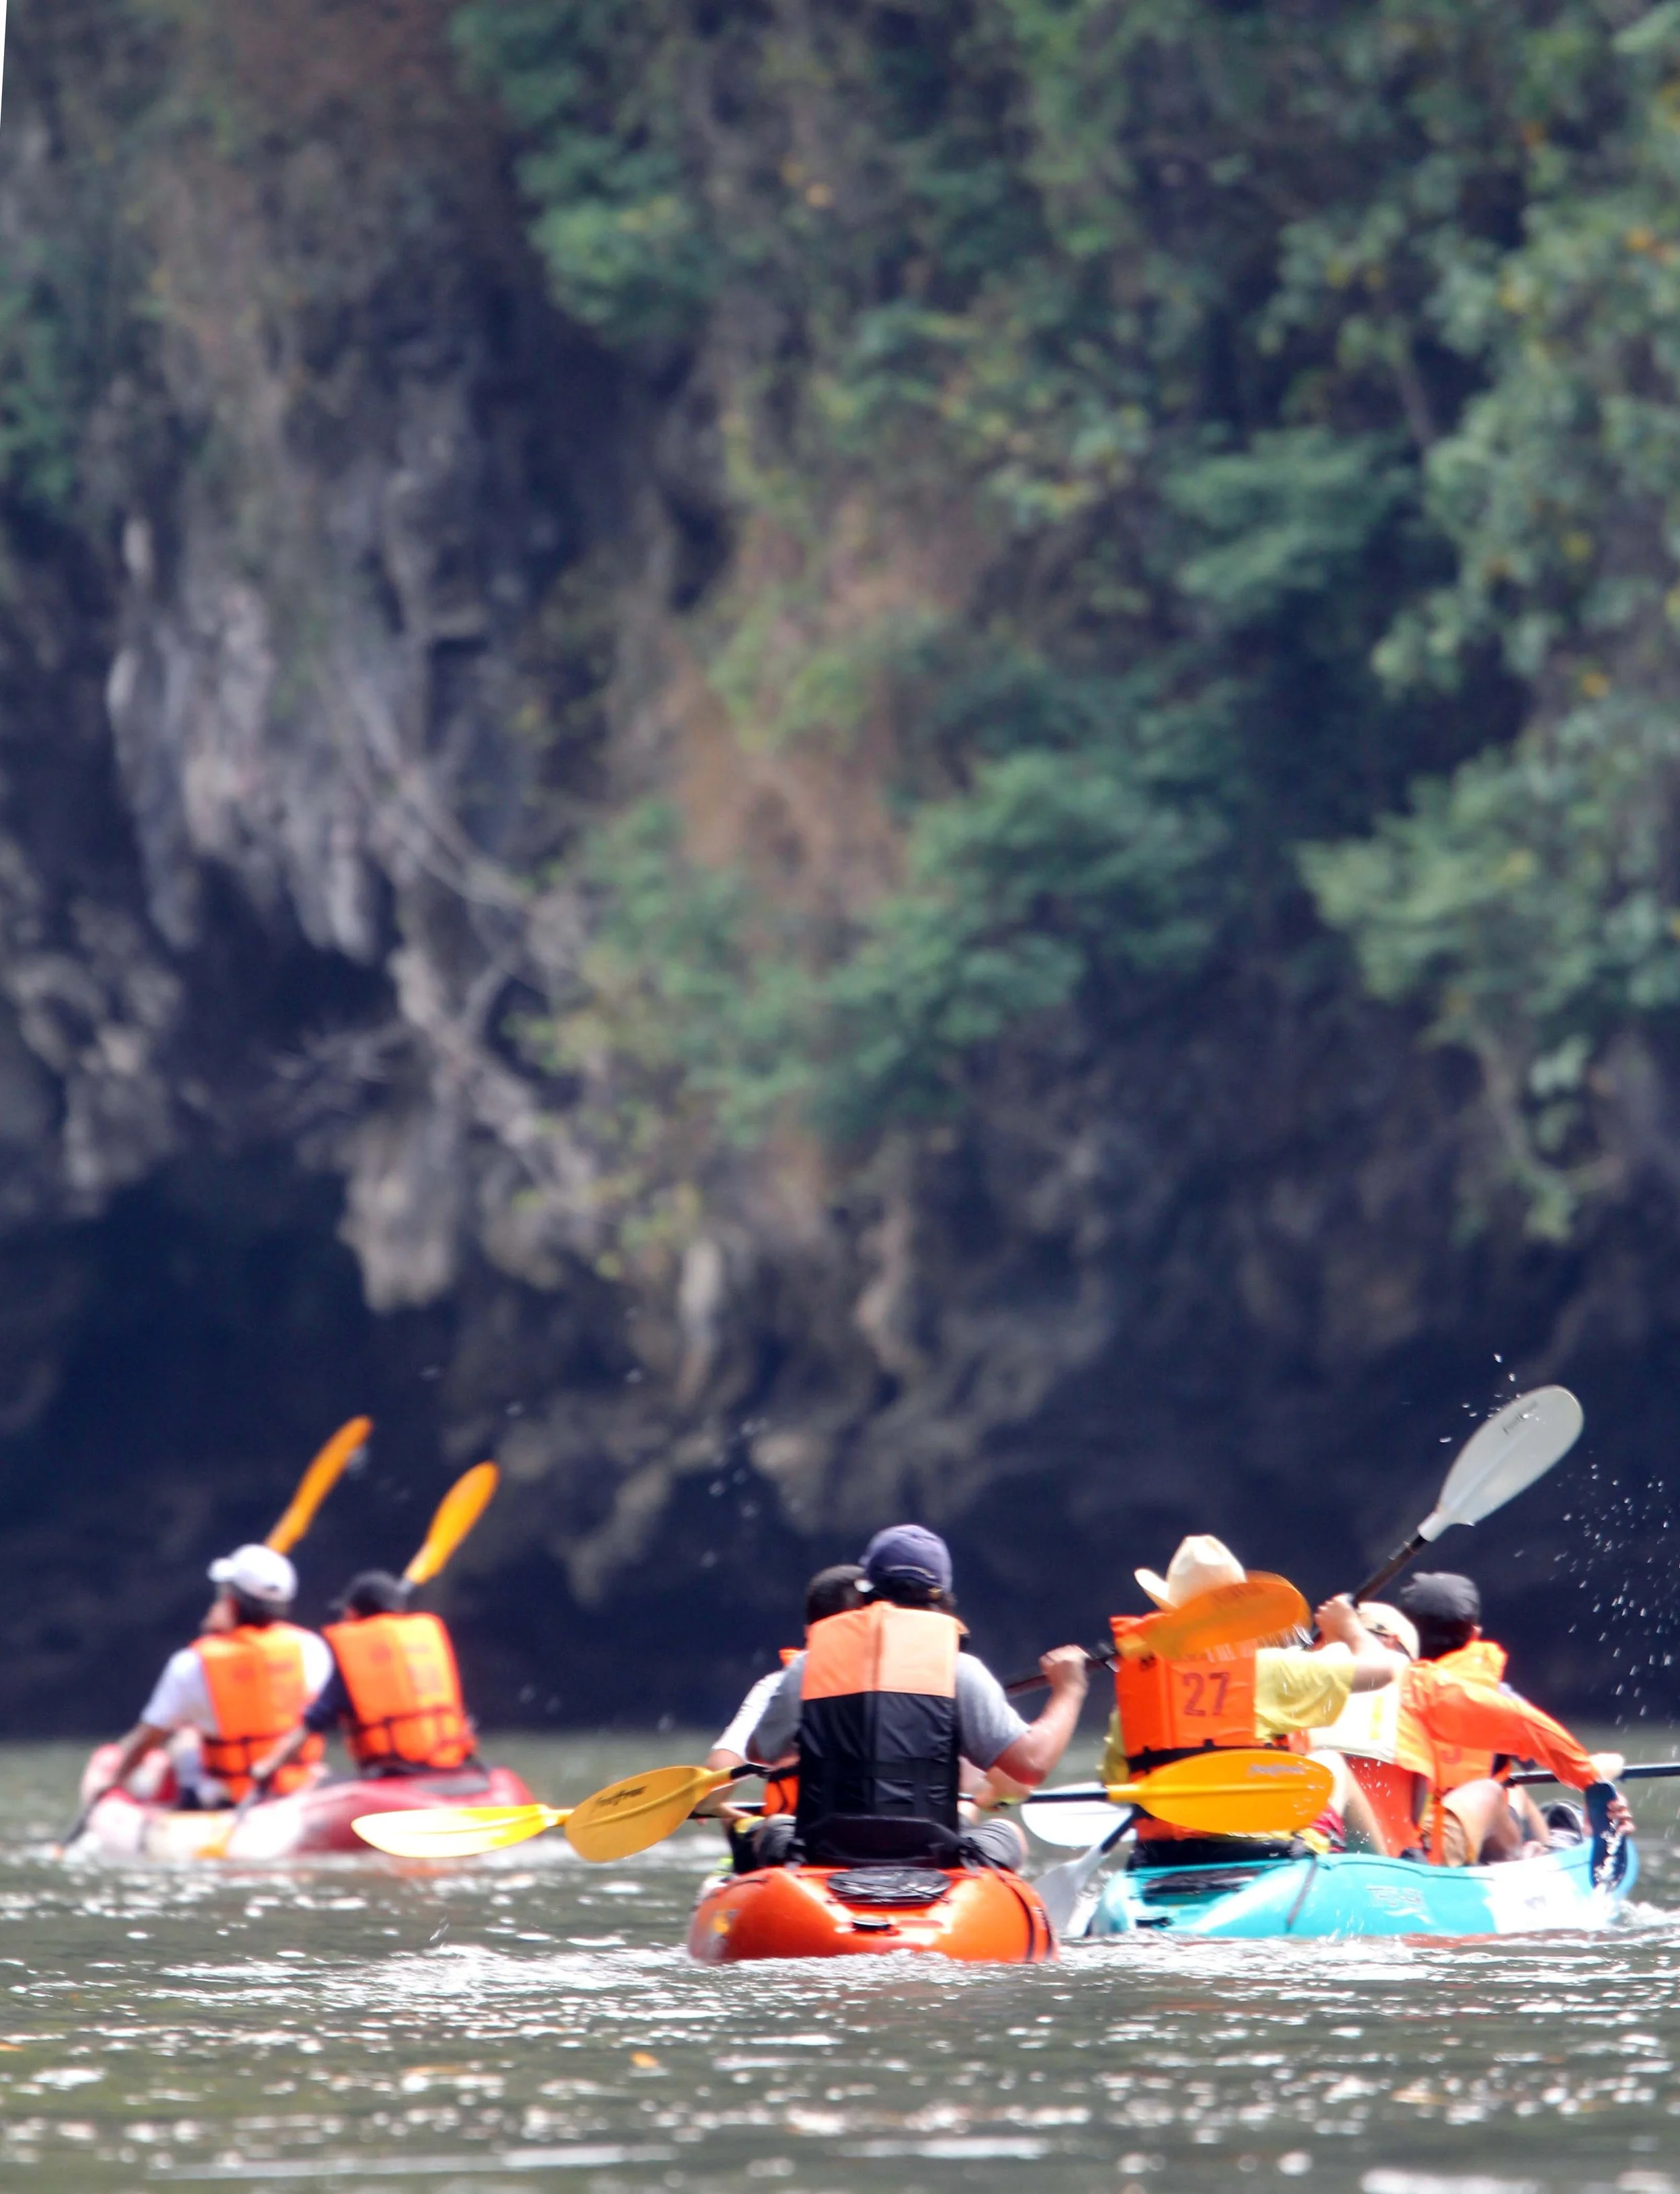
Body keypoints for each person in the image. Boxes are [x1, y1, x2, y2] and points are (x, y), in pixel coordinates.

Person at [742, 1523, 1089, 1871]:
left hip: (823, 1851)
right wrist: (1069, 1690)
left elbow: (760, 1752)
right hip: (932, 1853)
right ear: (942, 1600)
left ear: (864, 1593)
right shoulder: (960, 1669)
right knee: (1006, 1832)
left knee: (775, 1827)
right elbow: (1031, 1765)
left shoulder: (810, 1663)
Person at [1098, 1535, 1410, 1859]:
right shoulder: (1270, 1670)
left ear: (1171, 1616)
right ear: (1243, 1612)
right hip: (1260, 1849)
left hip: (1164, 1854)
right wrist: (1349, 1628)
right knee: (1330, 1763)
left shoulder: (1140, 1696)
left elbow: (1114, 1779)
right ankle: (1383, 1867)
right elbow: (1384, 1670)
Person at [94, 1546, 332, 1810]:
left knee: (185, 1740)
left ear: (232, 1603)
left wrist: (114, 1781)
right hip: (300, 1792)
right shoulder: (313, 1649)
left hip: (230, 1801)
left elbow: (147, 1739)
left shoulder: (192, 1664)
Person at [248, 1570, 476, 1791]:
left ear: (353, 1613)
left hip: (395, 1777)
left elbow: (312, 1725)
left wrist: (268, 1766)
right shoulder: (425, 1645)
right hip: (450, 1769)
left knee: (324, 1781)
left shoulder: (355, 1660)